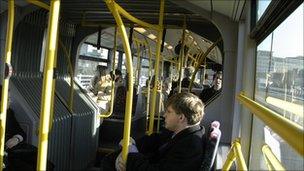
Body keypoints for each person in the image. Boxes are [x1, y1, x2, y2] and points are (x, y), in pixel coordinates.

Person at [102, 92, 206, 171]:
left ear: (181, 117)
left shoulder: (190, 146)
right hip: (150, 161)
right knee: (111, 158)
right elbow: (155, 139)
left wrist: (132, 156)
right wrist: (132, 144)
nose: (164, 115)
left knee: (109, 163)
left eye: (169, 112)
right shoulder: (178, 132)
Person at [0, 85, 54, 170]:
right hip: (6, 156)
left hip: (13, 151)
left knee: (47, 165)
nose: (11, 101)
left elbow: (21, 132)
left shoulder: (9, 113)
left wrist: (16, 139)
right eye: (8, 99)